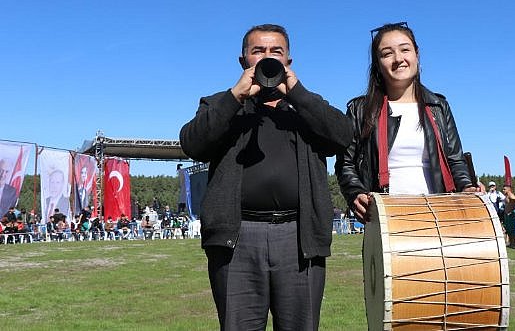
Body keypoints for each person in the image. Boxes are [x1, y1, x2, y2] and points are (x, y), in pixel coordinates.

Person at [179, 23, 352, 330]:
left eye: (276, 51)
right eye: (258, 51)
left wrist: (297, 94)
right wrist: (235, 97)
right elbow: (192, 144)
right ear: (243, 60)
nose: (267, 57)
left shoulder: (305, 107)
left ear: (288, 61)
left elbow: (342, 135)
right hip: (237, 238)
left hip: (298, 238)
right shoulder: (222, 104)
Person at [335, 22, 475, 224]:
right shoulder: (360, 110)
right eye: (387, 53)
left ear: (416, 54)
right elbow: (346, 163)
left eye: (405, 50)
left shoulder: (438, 106)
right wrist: (355, 193)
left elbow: (455, 159)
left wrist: (466, 187)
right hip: (386, 218)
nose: (398, 59)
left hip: (439, 214)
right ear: (377, 63)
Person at [502, 184, 515, 248]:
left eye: (504, 189)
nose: (503, 190)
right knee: (509, 230)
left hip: (511, 214)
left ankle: (514, 244)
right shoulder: (506, 195)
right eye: (503, 189)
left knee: (512, 230)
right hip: (507, 214)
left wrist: (510, 211)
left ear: (509, 189)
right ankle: (511, 243)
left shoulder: (511, 195)